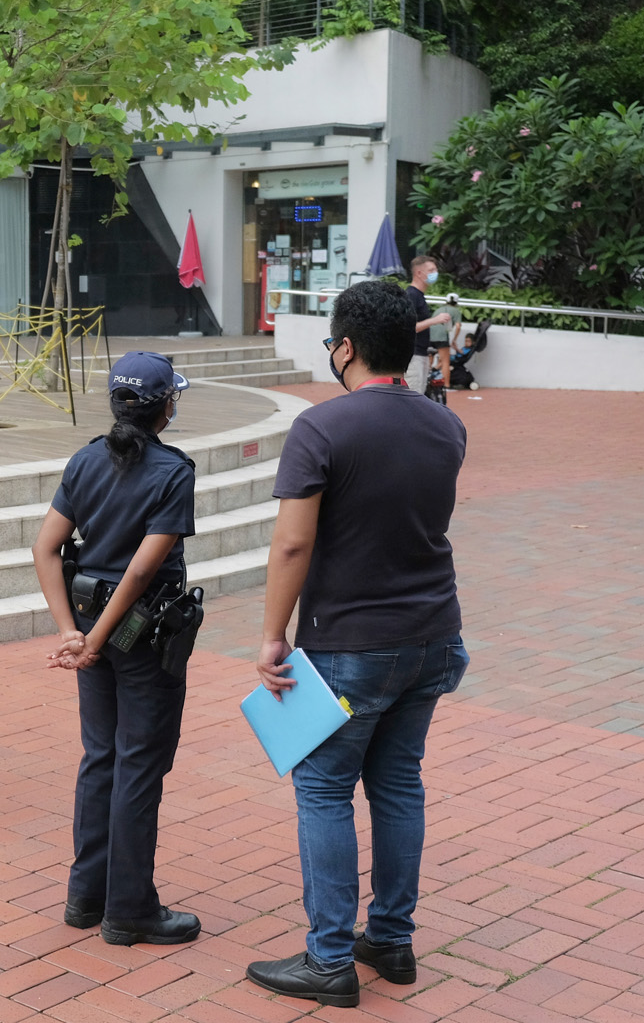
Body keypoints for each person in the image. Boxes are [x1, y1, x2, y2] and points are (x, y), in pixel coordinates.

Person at [244, 280, 469, 1008]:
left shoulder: (322, 428)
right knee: (399, 783)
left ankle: (330, 958)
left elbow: (292, 545)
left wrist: (273, 637)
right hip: (433, 635)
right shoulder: (445, 427)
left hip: (350, 643)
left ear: (344, 346)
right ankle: (392, 941)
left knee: (324, 789)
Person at [31, 351, 203, 947]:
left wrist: (71, 633)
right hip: (139, 637)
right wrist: (94, 642)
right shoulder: (172, 472)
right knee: (138, 765)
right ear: (167, 406)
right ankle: (129, 910)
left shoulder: (84, 461)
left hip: (89, 626)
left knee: (100, 758)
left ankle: (86, 897)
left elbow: (45, 548)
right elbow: (137, 575)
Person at [404, 255, 451, 393]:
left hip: (421, 353)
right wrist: (435, 320)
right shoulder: (411, 295)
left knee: (419, 394)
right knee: (413, 395)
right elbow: (409, 327)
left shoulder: (419, 296)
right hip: (414, 355)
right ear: (419, 273)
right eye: (431, 270)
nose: (434, 274)